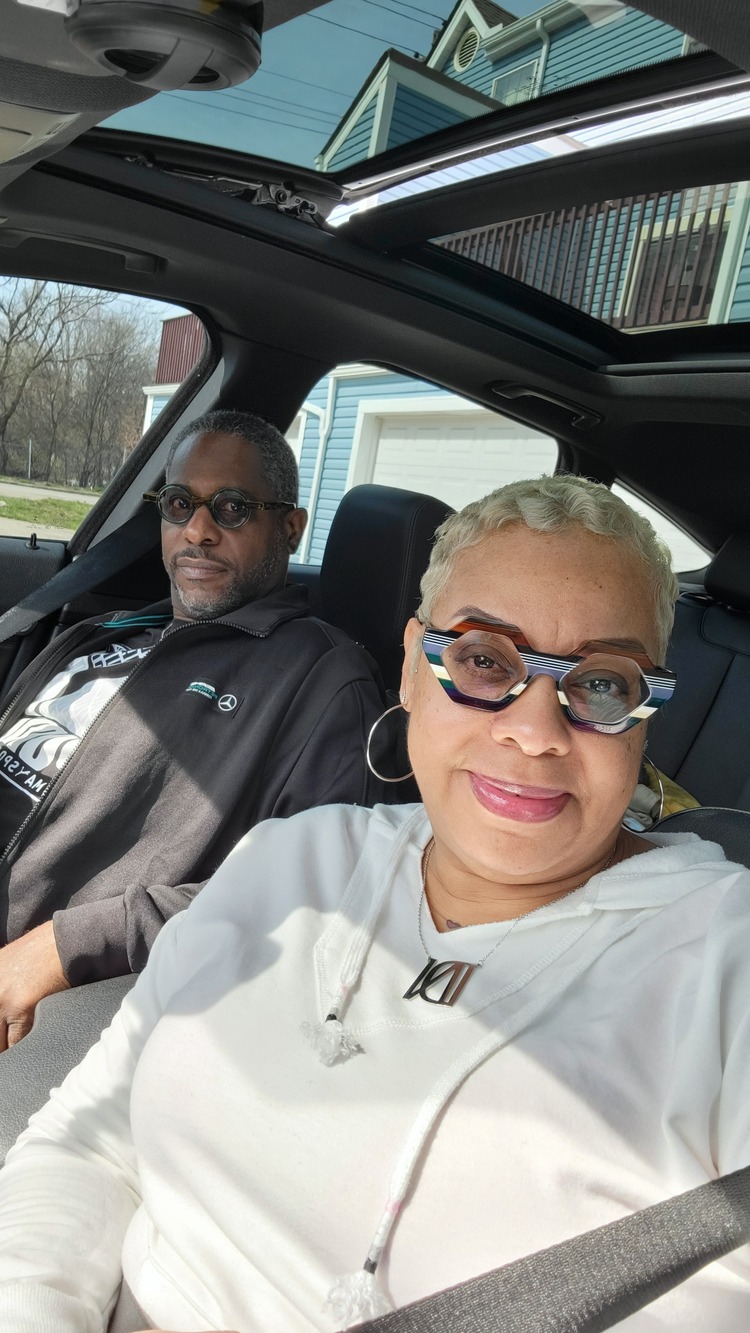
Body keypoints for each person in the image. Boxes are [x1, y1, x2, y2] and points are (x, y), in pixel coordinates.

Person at [2, 474, 749, 1333]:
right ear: (413, 666)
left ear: (647, 712)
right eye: (483, 660)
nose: (535, 730)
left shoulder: (726, 961)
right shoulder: (289, 857)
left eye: (604, 684)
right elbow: (89, 1139)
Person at [0, 409, 393, 1051]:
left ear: (289, 528)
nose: (198, 531)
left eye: (233, 508)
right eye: (179, 504)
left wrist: (66, 946)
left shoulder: (321, 681)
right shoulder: (104, 629)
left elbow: (312, 896)